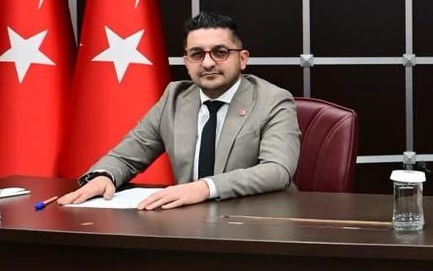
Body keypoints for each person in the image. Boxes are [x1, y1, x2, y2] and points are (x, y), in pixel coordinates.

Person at [59, 12, 300, 210]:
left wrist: (205, 187)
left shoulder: (273, 100)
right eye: (197, 54)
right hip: (189, 223)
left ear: (243, 59)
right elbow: (125, 156)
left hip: (256, 222)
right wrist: (104, 176)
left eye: (220, 52)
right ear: (186, 62)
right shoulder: (174, 98)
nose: (207, 63)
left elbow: (277, 170)